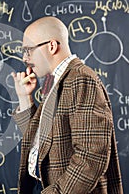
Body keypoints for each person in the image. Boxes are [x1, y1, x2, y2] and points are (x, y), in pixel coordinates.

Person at [11, 16, 123, 193]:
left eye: (29, 50)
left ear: (52, 46)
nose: (25, 58)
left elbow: (91, 157)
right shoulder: (54, 80)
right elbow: (39, 141)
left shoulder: (81, 79)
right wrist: (24, 97)